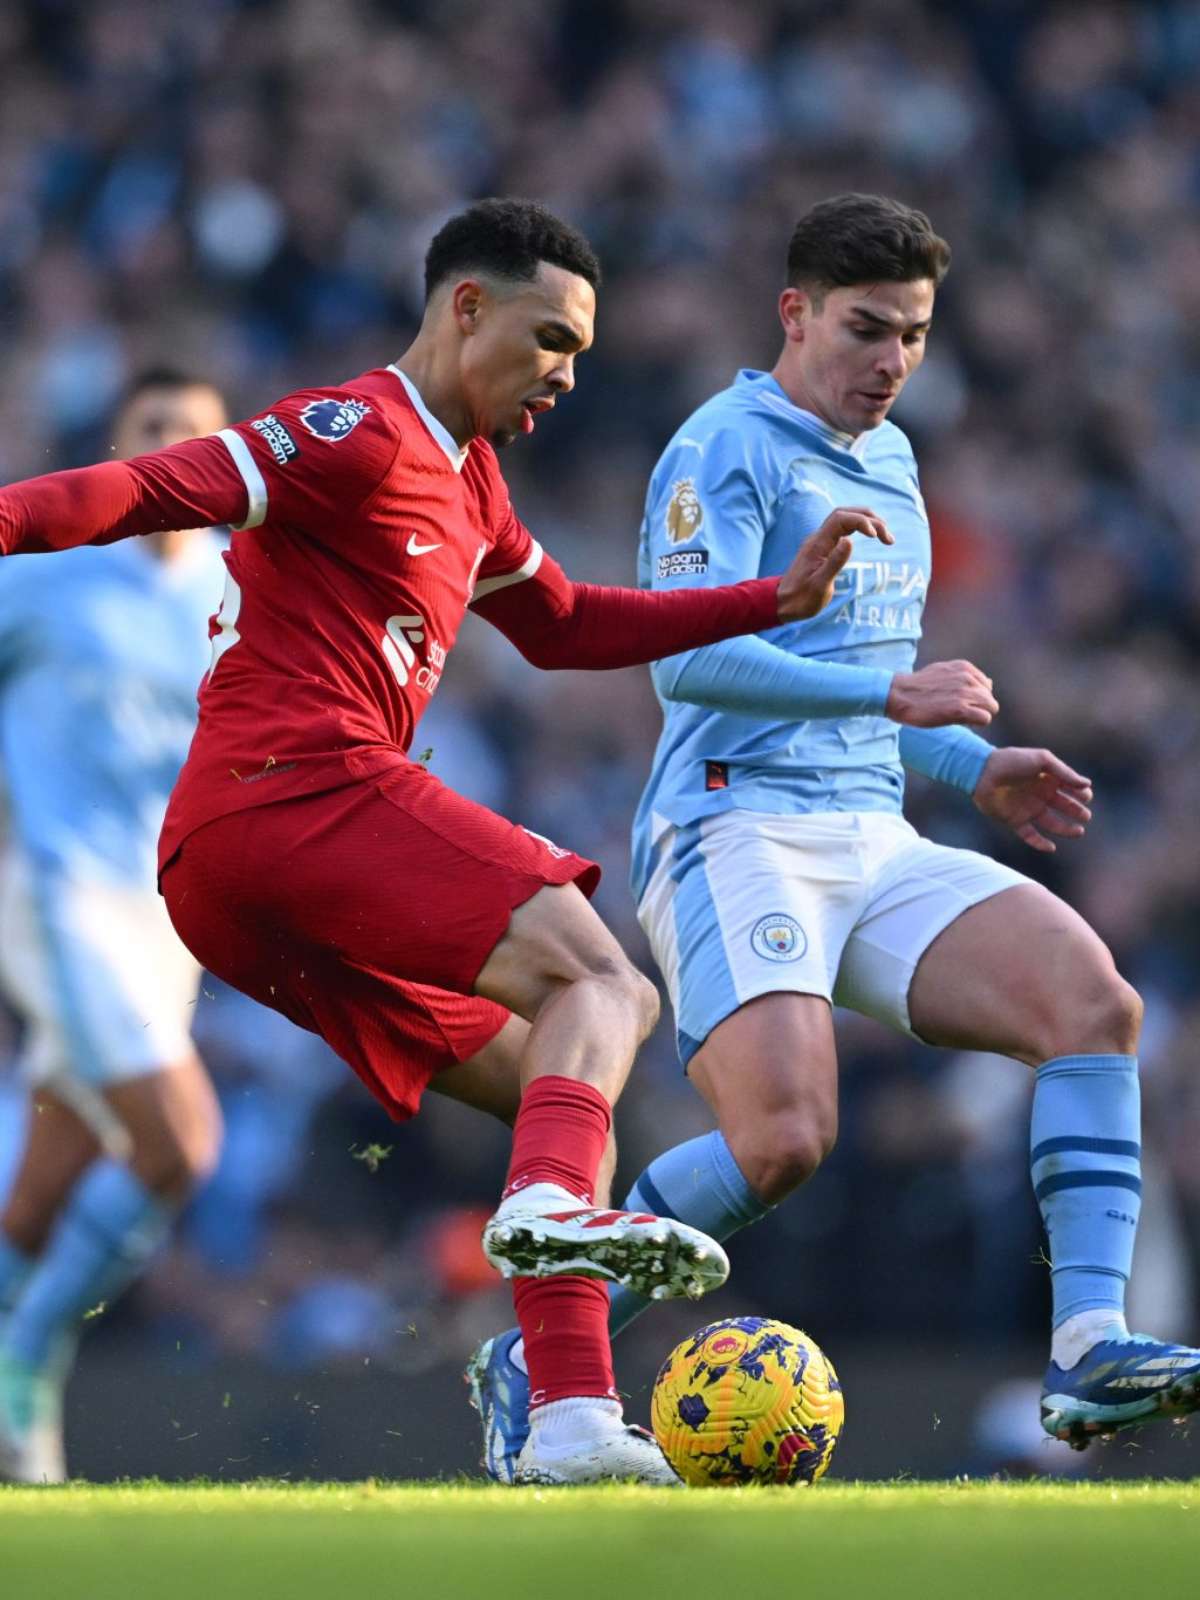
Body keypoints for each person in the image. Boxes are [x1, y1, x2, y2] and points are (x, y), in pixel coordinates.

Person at [0, 198, 891, 1486]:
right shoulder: (355, 432)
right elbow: (143, 488)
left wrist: (775, 598)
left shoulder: (471, 484)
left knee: (564, 1092)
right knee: (607, 986)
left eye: (579, 353)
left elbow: (569, 623)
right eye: (549, 340)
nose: (566, 377)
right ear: (465, 307)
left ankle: (571, 1417)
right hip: (287, 792)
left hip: (234, 882)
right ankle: (534, 1222)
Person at [468, 192, 1200, 1481]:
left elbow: (879, 685)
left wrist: (972, 766)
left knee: (1094, 1002)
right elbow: (691, 667)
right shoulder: (722, 446)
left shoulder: (897, 464)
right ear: (795, 314)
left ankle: (1091, 1348)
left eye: (913, 334)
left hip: (870, 830)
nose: (892, 362)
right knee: (783, 1141)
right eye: (867, 329)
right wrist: (888, 697)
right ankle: (539, 1343)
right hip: (732, 825)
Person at [0, 370, 230, 1481]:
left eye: (197, 436)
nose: (177, 452)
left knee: (49, 1186)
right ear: (116, 451)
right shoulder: (41, 571)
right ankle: (28, 1363)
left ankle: (13, 1342)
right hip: (56, 894)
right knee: (180, 1141)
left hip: (165, 919)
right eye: (153, 434)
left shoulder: (242, 590)